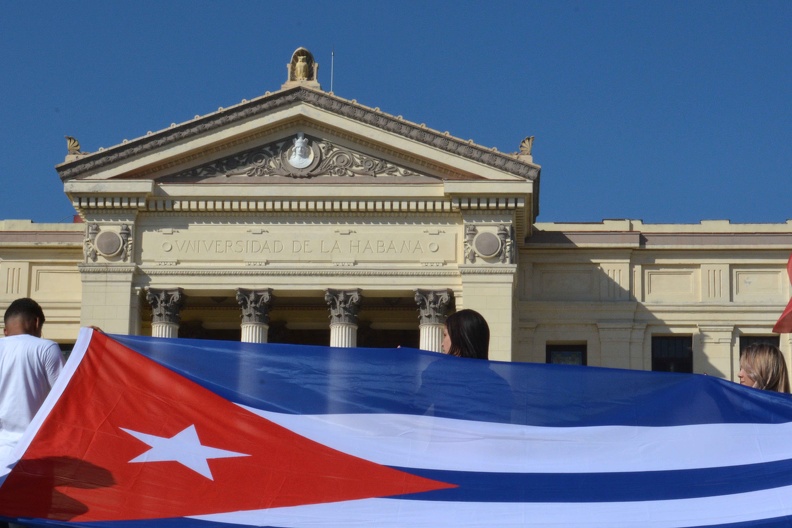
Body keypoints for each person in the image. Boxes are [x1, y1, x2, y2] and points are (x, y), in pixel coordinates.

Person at [0, 298, 65, 461]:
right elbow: (66, 396)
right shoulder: (46, 347)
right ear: (37, 323)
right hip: (35, 450)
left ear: (5, 329)